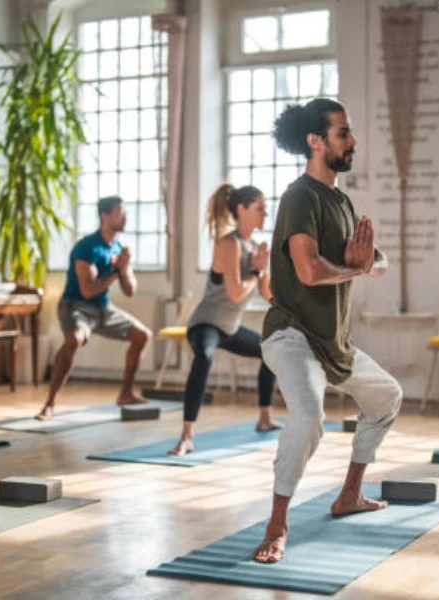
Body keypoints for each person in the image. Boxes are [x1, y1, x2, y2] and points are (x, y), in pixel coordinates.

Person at [252, 98, 402, 564]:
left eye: (349, 132)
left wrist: (368, 264)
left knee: (387, 398)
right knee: (308, 414)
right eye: (343, 133)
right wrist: (360, 269)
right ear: (315, 142)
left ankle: (349, 494)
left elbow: (373, 261)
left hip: (332, 342)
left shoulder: (340, 199)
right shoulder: (300, 197)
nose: (352, 141)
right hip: (291, 335)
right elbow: (311, 271)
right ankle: (277, 524)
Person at [167, 184, 279, 456]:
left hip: (229, 327)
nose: (266, 213)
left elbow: (266, 294)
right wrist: (256, 270)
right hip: (205, 324)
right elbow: (236, 290)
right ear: (242, 210)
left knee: (272, 350)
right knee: (203, 358)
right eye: (260, 208)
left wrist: (264, 271)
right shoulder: (229, 244)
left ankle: (265, 418)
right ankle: (186, 436)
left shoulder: (253, 247)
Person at [37, 195, 152, 420]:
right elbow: (87, 290)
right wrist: (116, 272)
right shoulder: (87, 247)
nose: (125, 216)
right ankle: (49, 404)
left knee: (142, 335)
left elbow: (130, 291)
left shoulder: (118, 247)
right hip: (76, 306)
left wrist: (125, 269)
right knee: (75, 339)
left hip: (103, 308)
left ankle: (126, 394)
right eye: (120, 212)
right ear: (105, 216)